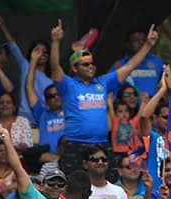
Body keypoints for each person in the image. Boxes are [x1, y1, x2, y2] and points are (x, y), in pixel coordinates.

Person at [48, 20, 159, 171]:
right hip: (75, 143)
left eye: (92, 63)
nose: (91, 67)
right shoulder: (68, 85)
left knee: (110, 182)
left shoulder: (103, 83)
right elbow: (55, 67)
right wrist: (55, 42)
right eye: (85, 64)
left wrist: (148, 45)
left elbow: (130, 66)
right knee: (74, 185)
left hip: (101, 143)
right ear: (74, 68)